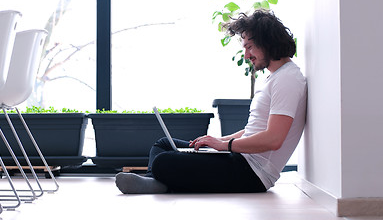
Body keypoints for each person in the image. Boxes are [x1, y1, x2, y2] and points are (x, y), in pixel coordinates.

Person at [115, 10, 307, 194]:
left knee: (163, 161)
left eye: (249, 47)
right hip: (241, 159)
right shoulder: (278, 78)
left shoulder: (288, 79)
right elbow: (255, 130)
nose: (247, 55)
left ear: (267, 41)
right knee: (164, 144)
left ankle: (159, 181)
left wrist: (224, 146)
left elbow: (274, 139)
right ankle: (155, 182)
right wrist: (217, 141)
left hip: (253, 173)